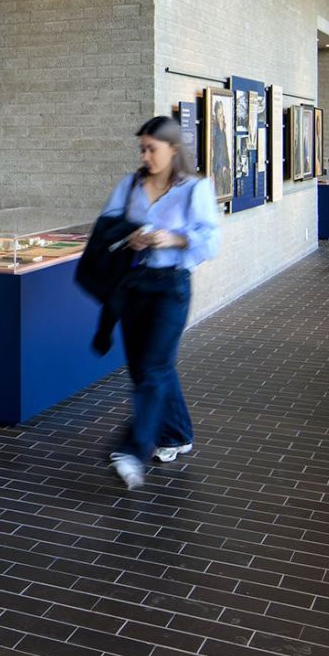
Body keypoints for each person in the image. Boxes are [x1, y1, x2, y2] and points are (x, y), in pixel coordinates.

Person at [93, 116, 221, 491]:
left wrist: (174, 238)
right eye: (142, 149)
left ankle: (131, 450)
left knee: (154, 366)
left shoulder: (194, 188)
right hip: (134, 285)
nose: (145, 156)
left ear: (173, 149)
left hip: (171, 286)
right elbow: (107, 225)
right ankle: (177, 433)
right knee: (145, 367)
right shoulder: (130, 185)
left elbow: (211, 240)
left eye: (152, 149)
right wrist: (129, 236)